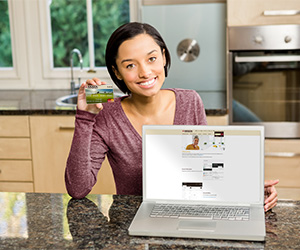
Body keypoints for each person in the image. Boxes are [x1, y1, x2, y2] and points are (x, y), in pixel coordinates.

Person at [65, 22, 278, 212]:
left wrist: (250, 189)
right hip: (131, 225)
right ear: (117, 72)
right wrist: (85, 118)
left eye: (152, 59)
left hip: (190, 216)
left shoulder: (190, 101)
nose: (145, 72)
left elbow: (208, 170)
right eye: (130, 65)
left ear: (164, 57)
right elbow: (78, 188)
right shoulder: (108, 116)